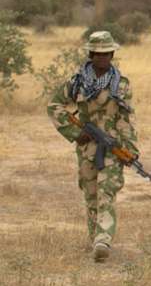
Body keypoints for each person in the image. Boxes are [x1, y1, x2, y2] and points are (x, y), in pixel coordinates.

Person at [47, 31, 138, 262]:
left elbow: (126, 119)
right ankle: (95, 240)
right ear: (90, 54)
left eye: (107, 53)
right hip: (87, 149)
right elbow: (54, 105)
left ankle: (103, 240)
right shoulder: (77, 82)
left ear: (112, 54)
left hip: (112, 146)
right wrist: (75, 133)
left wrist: (130, 150)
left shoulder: (121, 85)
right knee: (91, 195)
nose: (102, 58)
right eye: (97, 54)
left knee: (107, 191)